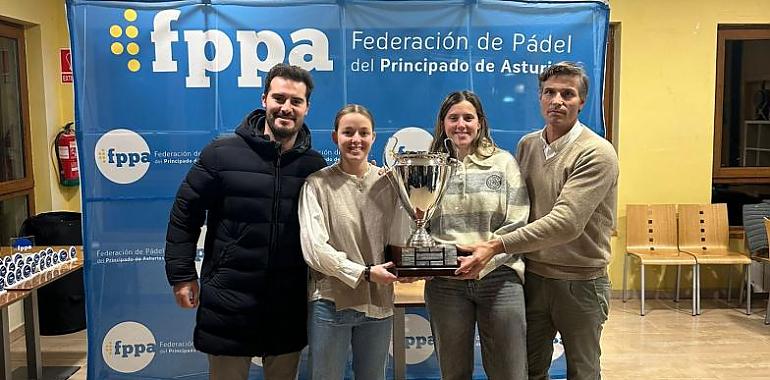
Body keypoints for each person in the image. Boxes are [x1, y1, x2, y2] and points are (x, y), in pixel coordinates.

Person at [456, 62, 619, 380]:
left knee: (583, 371)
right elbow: (515, 209)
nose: (558, 100)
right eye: (550, 92)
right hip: (532, 278)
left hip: (581, 282)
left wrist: (494, 245)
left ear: (581, 101)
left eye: (567, 94)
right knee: (528, 370)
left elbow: (566, 222)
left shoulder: (597, 153)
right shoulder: (528, 145)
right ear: (540, 98)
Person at [164, 63, 327, 380]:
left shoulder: (314, 165)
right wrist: (182, 275)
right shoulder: (221, 153)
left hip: (287, 304)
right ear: (264, 99)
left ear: (307, 107)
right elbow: (186, 213)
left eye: (296, 101)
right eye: (279, 98)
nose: (286, 107)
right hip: (228, 303)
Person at [423, 90, 530, 380]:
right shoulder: (429, 168)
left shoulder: (504, 163)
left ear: (480, 122)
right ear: (443, 123)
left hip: (500, 277)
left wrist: (486, 258)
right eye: (453, 118)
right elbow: (418, 224)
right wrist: (447, 258)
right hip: (446, 282)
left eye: (468, 118)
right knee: (453, 371)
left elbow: (518, 221)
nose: (461, 125)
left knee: (510, 371)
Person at [298, 104, 409, 380]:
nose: (356, 139)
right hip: (331, 302)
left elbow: (401, 238)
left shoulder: (392, 184)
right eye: (348, 132)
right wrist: (364, 273)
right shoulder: (317, 184)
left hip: (379, 302)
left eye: (363, 132)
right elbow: (314, 249)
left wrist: (409, 266)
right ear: (335, 137)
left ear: (374, 137)